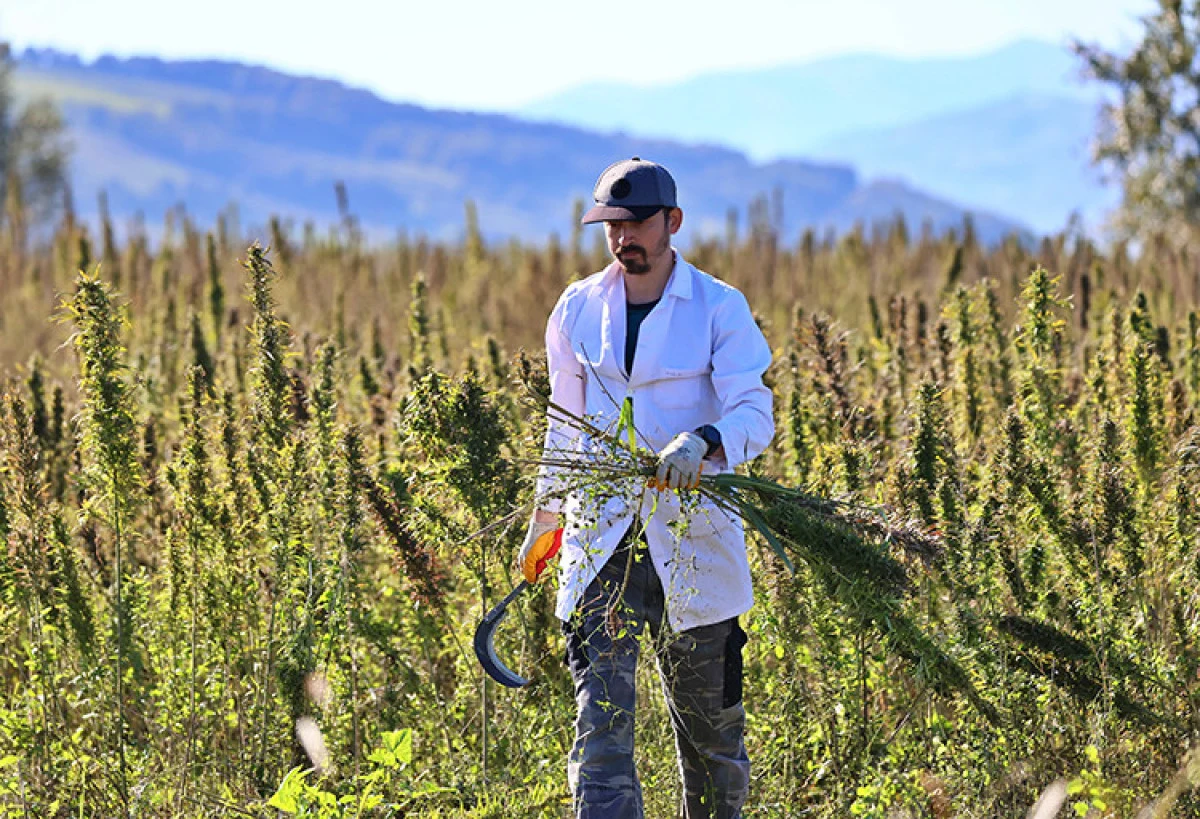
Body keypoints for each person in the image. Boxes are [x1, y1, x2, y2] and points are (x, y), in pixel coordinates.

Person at [518, 157, 774, 819]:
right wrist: (546, 516)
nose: (623, 236)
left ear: (673, 223)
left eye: (636, 223)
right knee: (600, 733)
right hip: (600, 540)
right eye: (612, 224)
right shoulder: (576, 310)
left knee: (712, 739)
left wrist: (703, 441)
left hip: (695, 544)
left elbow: (755, 410)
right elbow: (563, 425)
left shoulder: (719, 306)